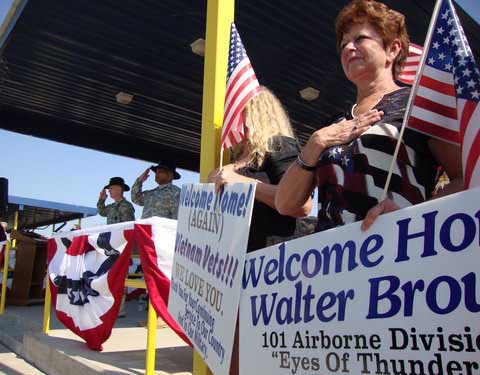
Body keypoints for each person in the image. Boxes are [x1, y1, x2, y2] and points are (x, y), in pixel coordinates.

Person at [276, 0, 462, 232]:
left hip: (399, 253)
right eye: (344, 44)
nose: (348, 48)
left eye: (360, 39)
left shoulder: (418, 104)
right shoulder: (332, 125)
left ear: (392, 49)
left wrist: (416, 218)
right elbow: (284, 204)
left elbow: (467, 177)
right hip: (332, 258)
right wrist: (316, 143)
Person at [209, 86, 311, 252]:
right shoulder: (235, 157)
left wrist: (241, 181)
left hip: (271, 261)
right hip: (235, 260)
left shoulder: (279, 146)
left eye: (235, 109)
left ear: (255, 112)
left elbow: (302, 205)